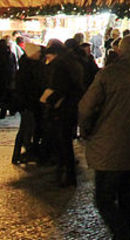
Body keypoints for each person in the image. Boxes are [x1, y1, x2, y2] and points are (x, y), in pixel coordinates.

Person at [78, 35, 130, 240]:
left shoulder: (109, 74)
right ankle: (125, 234)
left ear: (120, 51)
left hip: (108, 147)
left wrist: (86, 130)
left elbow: (86, 107)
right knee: (129, 202)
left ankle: (124, 236)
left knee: (104, 199)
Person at [44, 39, 85, 186]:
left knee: (63, 143)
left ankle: (67, 176)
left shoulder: (60, 65)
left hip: (63, 108)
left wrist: (48, 100)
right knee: (65, 142)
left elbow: (59, 88)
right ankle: (66, 174)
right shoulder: (72, 62)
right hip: (72, 106)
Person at [13, 42, 46, 165]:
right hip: (29, 103)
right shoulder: (29, 68)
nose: (39, 55)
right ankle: (27, 151)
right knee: (27, 128)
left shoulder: (27, 66)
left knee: (25, 128)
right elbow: (30, 87)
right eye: (38, 53)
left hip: (28, 103)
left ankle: (17, 154)